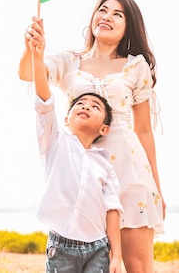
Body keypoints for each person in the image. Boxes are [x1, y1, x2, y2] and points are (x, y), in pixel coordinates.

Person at [19, 0, 165, 273]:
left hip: (130, 173)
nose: (107, 17)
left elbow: (144, 130)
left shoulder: (136, 66)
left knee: (138, 267)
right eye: (103, 10)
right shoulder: (68, 61)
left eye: (117, 14)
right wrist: (31, 48)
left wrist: (157, 188)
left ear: (128, 26)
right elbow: (29, 74)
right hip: (81, 178)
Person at [31, 37, 123, 273]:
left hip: (98, 248)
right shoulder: (55, 142)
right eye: (80, 103)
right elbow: (44, 102)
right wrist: (38, 57)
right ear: (66, 118)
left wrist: (116, 256)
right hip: (61, 247)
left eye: (95, 107)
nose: (86, 106)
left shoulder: (104, 164)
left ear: (104, 129)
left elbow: (113, 209)